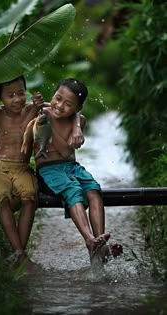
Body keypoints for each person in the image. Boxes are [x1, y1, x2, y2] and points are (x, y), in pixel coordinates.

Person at [0, 67, 84, 271]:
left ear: (27, 91)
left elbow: (70, 109)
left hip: (23, 168)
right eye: (10, 95)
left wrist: (76, 127)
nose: (17, 99)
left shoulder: (33, 109)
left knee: (30, 197)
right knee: (2, 198)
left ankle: (18, 254)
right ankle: (20, 254)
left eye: (21, 93)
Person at [32, 78, 122, 264]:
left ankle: (100, 244)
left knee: (94, 190)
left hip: (72, 167)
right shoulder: (41, 114)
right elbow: (63, 149)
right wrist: (42, 110)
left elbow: (67, 152)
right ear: (53, 94)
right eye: (57, 98)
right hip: (48, 171)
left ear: (77, 108)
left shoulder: (79, 120)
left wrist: (76, 126)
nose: (59, 105)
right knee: (73, 191)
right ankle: (89, 240)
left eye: (68, 104)